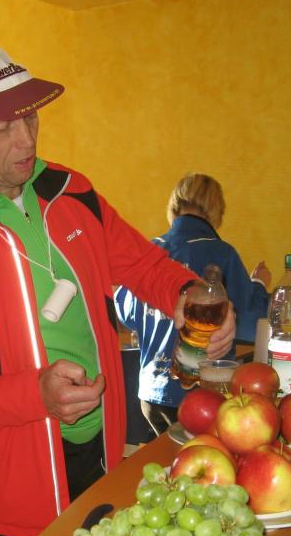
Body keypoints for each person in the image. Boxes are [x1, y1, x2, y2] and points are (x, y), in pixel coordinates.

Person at [0, 44, 236, 536]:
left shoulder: (73, 192)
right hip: (4, 495)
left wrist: (186, 295)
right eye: (1, 127)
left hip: (101, 457)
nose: (26, 140)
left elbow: (143, 264)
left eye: (30, 117)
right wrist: (34, 397)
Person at [115, 172, 271, 435]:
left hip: (150, 394)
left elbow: (125, 313)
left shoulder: (150, 251)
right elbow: (249, 323)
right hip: (201, 396)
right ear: (217, 211)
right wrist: (258, 284)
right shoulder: (222, 254)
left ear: (174, 205)